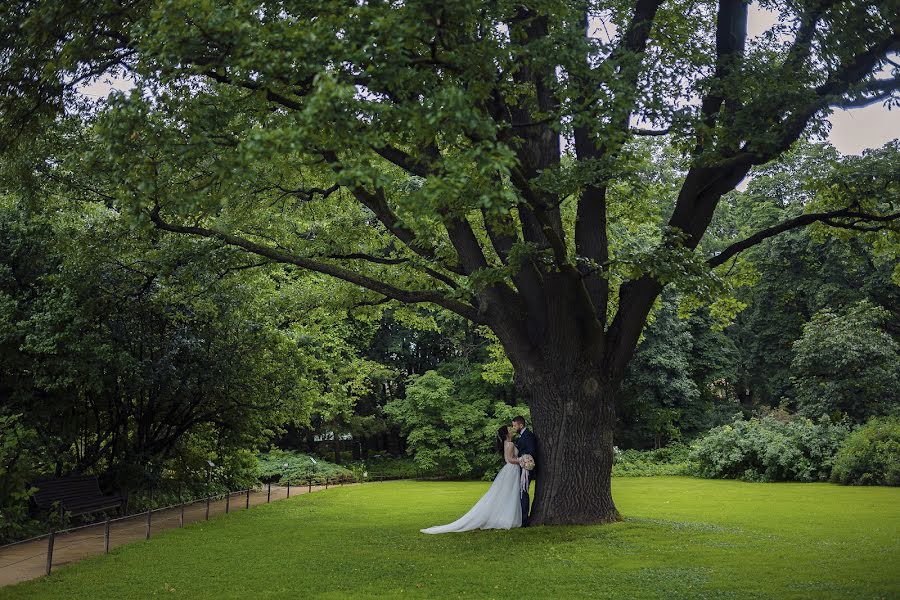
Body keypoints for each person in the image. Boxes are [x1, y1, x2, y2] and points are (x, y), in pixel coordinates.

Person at [420, 426, 522, 534]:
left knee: (507, 493)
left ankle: (505, 516)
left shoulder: (507, 443)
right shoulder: (510, 444)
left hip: (510, 470)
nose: (511, 430)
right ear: (506, 434)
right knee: (510, 493)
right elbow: (510, 459)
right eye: (509, 429)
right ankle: (507, 517)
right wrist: (521, 460)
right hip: (512, 469)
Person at [511, 415, 537, 527]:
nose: (514, 428)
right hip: (522, 467)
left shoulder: (528, 435)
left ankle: (524, 520)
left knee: (524, 492)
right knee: (521, 493)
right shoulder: (521, 436)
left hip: (526, 468)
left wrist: (522, 460)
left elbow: (531, 451)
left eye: (515, 425)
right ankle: (521, 518)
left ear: (521, 425)